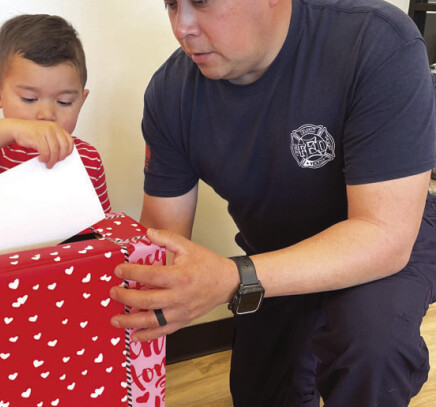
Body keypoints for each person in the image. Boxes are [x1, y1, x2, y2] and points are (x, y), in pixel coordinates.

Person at [109, 0, 436, 406]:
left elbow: (384, 235)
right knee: (259, 394)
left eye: (202, 2)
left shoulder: (377, 41)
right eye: (172, 4)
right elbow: (162, 243)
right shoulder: (170, 93)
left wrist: (232, 278)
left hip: (380, 246)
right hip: (271, 251)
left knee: (370, 345)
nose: (182, 27)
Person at [0, 14, 111, 213]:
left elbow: (103, 227)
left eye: (64, 102)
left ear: (81, 101)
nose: (46, 114)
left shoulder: (88, 157)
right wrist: (15, 128)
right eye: (29, 99)